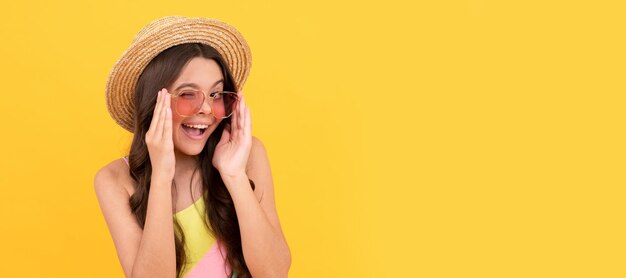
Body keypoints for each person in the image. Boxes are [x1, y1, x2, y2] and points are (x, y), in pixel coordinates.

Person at [94, 16, 291, 278]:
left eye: (216, 94)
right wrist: (162, 176)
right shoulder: (114, 180)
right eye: (188, 94)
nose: (207, 109)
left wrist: (234, 176)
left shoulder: (247, 154)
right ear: (154, 102)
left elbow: (274, 273)